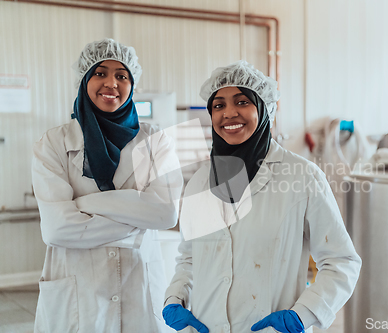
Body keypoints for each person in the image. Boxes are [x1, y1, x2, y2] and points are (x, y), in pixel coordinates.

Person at [162, 60, 361, 333]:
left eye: (242, 102)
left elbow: (341, 262)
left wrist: (303, 315)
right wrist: (175, 297)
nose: (229, 113)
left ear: (264, 108)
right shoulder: (200, 182)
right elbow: (190, 257)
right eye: (219, 105)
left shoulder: (302, 176)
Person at [32, 38, 182, 333]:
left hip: (137, 284)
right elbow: (56, 229)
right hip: (77, 290)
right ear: (84, 81)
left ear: (131, 84)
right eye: (100, 73)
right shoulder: (53, 143)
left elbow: (166, 215)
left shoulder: (156, 140)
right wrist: (137, 219)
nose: (111, 83)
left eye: (121, 75)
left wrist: (85, 205)